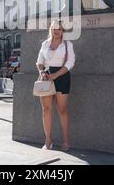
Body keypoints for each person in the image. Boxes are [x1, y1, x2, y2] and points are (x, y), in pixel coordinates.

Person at [36, 20, 75, 151]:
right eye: (54, 28)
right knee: (46, 109)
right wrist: (41, 72)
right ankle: (48, 140)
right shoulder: (45, 43)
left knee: (62, 110)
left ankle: (66, 140)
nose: (56, 31)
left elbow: (70, 62)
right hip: (46, 78)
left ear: (63, 31)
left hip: (62, 77)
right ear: (50, 29)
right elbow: (39, 61)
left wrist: (56, 75)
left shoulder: (67, 44)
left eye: (59, 29)